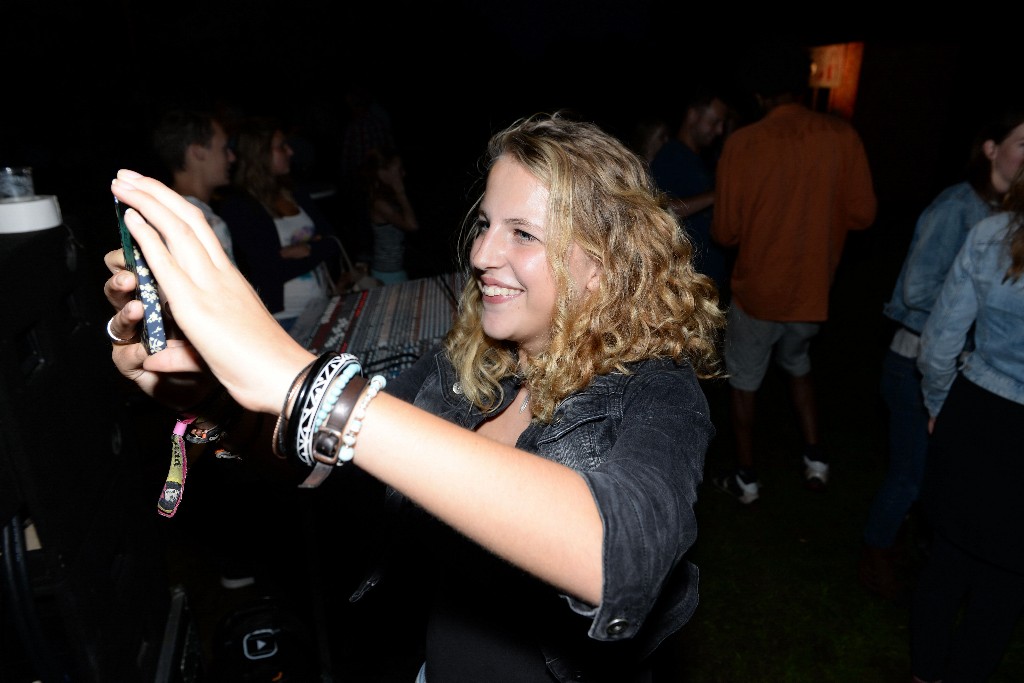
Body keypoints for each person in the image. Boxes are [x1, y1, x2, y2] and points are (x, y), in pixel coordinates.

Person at [103, 111, 725, 682]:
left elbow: (619, 559)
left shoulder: (657, 390)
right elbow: (328, 466)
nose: (482, 254)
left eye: (523, 234)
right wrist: (215, 399)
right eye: (485, 225)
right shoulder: (466, 363)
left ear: (604, 264)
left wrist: (306, 383)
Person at [859, 105, 1024, 601]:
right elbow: (915, 290)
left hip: (962, 373)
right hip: (916, 362)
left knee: (937, 471)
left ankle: (917, 549)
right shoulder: (959, 207)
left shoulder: (1007, 219)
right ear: (993, 149)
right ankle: (875, 554)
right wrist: (972, 318)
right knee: (912, 471)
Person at [710, 40, 877, 503]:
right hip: (812, 294)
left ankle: (746, 478)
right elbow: (863, 214)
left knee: (744, 385)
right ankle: (816, 459)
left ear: (758, 93)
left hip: (757, 295)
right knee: (799, 365)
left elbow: (724, 232)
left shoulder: (743, 144)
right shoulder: (843, 137)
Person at [909, 163, 1024, 683]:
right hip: (991, 419)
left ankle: (925, 674)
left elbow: (938, 343)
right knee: (1005, 583)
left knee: (947, 562)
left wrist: (939, 406)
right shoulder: (992, 232)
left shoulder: (992, 234)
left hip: (975, 415)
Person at [216, 115, 343, 331]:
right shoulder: (239, 206)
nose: (290, 152)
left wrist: (307, 249)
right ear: (260, 154)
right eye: (281, 147)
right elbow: (268, 269)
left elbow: (333, 240)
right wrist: (315, 248)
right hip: (282, 318)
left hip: (322, 304)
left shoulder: (296, 192)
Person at [650, 88, 732, 301]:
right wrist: (716, 195)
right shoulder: (670, 156)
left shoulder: (701, 160)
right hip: (684, 286)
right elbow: (662, 210)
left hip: (706, 283)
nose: (719, 130)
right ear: (693, 115)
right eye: (714, 122)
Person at [151, 108, 237, 264]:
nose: (232, 157)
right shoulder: (204, 223)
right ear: (198, 152)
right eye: (224, 148)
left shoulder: (157, 212)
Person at [359, 147, 420, 284]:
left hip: (394, 269)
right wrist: (400, 192)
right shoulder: (379, 203)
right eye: (398, 170)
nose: (403, 173)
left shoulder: (386, 197)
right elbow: (412, 226)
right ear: (383, 173)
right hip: (387, 272)